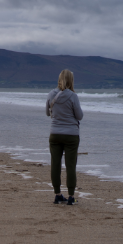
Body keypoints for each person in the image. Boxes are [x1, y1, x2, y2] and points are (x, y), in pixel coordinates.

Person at [45, 69, 84, 205]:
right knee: (70, 165)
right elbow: (79, 116)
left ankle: (57, 194)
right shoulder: (73, 96)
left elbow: (47, 113)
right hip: (71, 135)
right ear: (71, 80)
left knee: (55, 164)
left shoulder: (51, 94)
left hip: (55, 133)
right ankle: (71, 196)